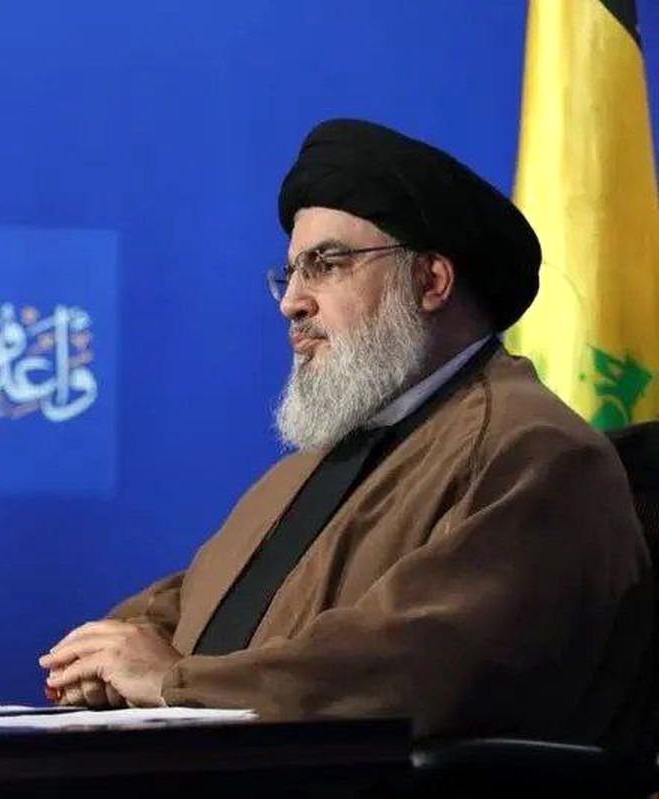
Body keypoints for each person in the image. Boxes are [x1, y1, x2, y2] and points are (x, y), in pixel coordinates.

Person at [39, 118, 653, 746]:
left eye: (326, 265)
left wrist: (174, 683)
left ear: (431, 282)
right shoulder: (312, 469)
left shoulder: (534, 450)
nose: (292, 302)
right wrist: (103, 657)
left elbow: (417, 669)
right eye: (290, 273)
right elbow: (198, 606)